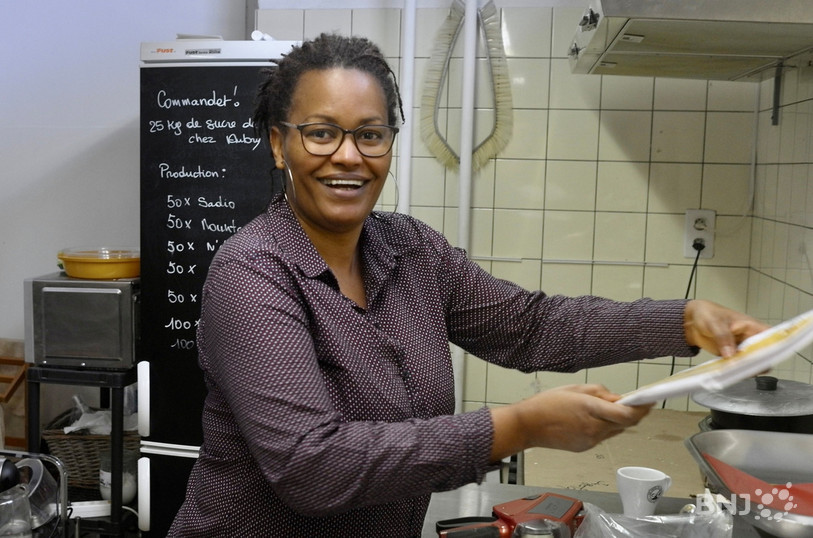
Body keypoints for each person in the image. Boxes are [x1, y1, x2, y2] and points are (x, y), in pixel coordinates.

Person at [169, 33, 767, 536]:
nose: (348, 156)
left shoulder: (410, 250)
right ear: (279, 144)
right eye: (321, 133)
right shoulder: (252, 272)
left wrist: (683, 321)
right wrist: (517, 427)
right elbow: (313, 466)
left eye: (370, 135)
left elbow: (531, 326)